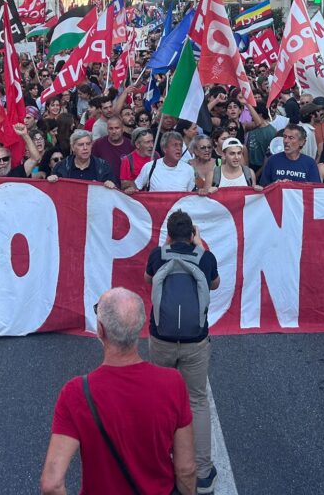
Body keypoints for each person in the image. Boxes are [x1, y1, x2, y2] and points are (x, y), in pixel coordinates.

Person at [40, 287, 197, 495]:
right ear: (141, 326)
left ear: (101, 331)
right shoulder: (173, 383)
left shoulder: (76, 393)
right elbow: (186, 468)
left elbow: (51, 483)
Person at [144, 210, 219, 494]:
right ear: (191, 234)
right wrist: (198, 246)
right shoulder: (204, 257)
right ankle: (201, 473)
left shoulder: (158, 255)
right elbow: (214, 284)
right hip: (195, 340)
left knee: (160, 400)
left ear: (168, 234)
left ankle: (161, 466)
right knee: (197, 400)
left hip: (161, 337)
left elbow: (148, 280)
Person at [47, 129, 118, 187]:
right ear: (73, 147)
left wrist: (112, 185)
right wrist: (50, 181)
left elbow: (116, 191)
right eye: (81, 145)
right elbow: (52, 192)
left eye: (88, 144)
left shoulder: (103, 166)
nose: (85, 148)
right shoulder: (61, 167)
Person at [91, 116, 132, 182]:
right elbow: (92, 164)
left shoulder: (130, 145)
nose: (114, 131)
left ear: (122, 129)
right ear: (107, 129)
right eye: (111, 128)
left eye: (117, 128)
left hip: (125, 187)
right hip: (104, 185)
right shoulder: (98, 144)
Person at [119, 127, 156, 192]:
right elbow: (123, 185)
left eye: (152, 141)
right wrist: (140, 181)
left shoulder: (156, 156)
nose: (152, 145)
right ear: (137, 144)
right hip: (138, 198)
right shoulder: (127, 160)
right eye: (147, 142)